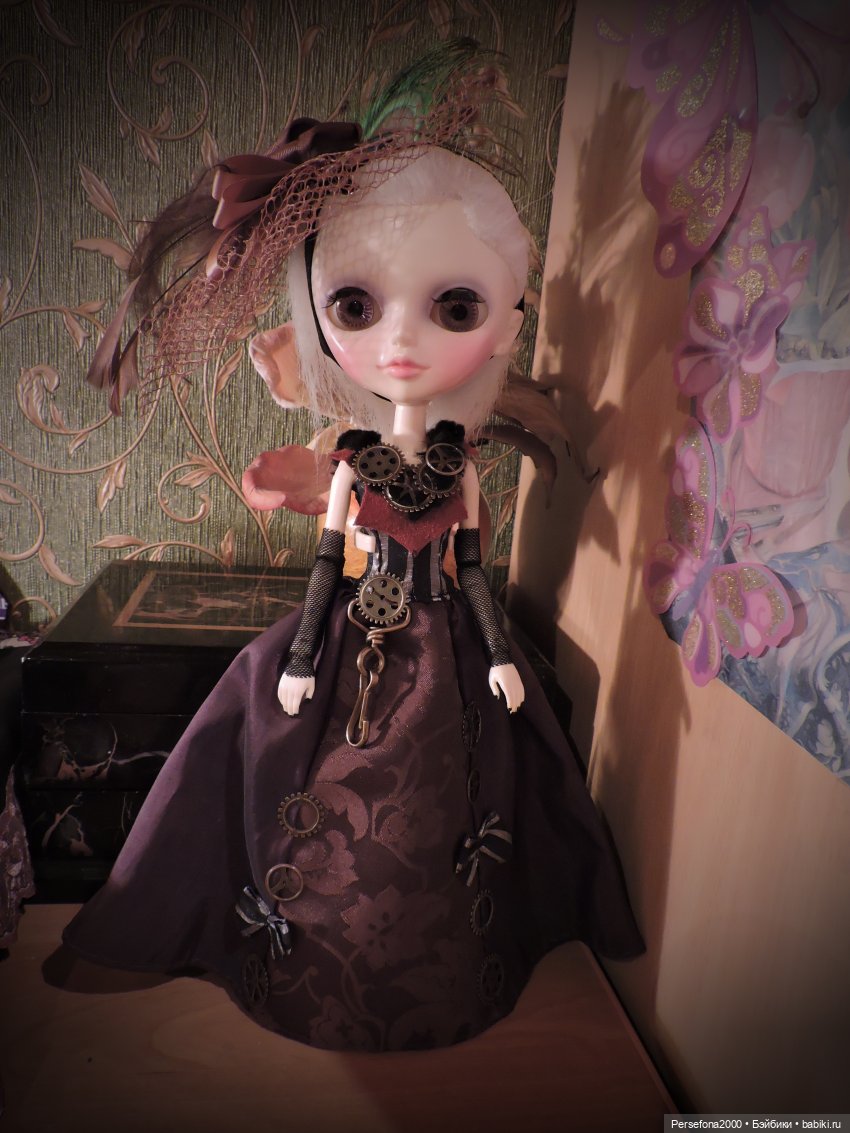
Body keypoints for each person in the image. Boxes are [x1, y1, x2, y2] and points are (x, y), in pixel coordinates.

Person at [64, 47, 643, 1051]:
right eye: (357, 307)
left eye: (455, 307)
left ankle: (451, 964)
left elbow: (472, 571)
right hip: (346, 644)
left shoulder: (459, 467)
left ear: (504, 322)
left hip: (447, 647)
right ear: (319, 318)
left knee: (448, 804)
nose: (403, 343)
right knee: (280, 761)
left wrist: (501, 656)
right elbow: (326, 568)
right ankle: (296, 960)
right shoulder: (352, 464)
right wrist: (296, 659)